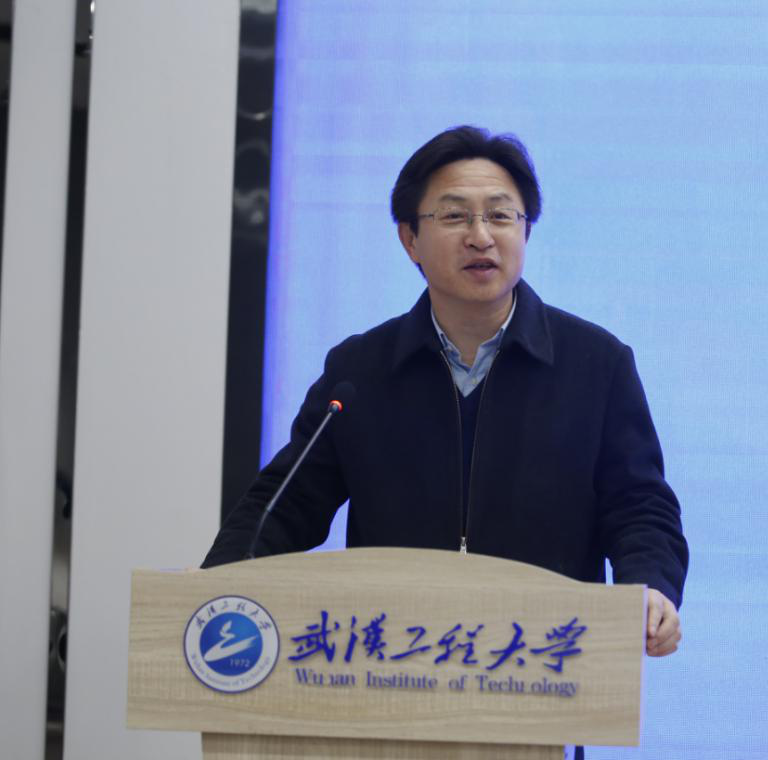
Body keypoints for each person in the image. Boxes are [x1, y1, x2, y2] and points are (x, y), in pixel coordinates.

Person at [203, 125, 687, 660]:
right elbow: (284, 506)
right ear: (410, 238)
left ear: (526, 232)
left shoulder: (596, 364)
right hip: (393, 661)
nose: (481, 236)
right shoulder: (360, 372)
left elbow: (639, 505)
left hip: (543, 661)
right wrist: (212, 586)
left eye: (501, 216)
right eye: (455, 216)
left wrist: (650, 586)